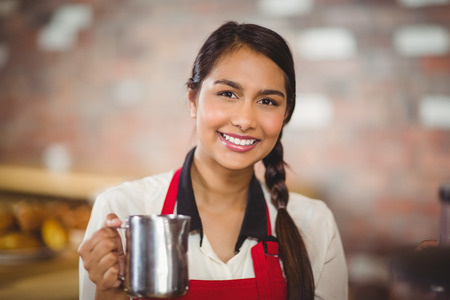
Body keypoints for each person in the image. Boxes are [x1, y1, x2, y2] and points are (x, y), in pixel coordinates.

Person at [78, 21, 348, 300]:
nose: (244, 120)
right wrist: (108, 293)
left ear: (286, 114)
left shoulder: (315, 224)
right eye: (227, 94)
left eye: (267, 101)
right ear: (193, 100)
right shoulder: (123, 212)